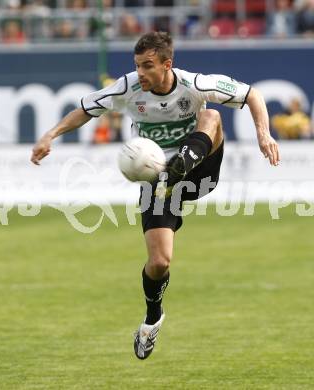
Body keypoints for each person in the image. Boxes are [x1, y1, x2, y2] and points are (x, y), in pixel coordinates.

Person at [31, 31, 280, 360]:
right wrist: (50, 134)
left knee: (212, 116)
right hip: (155, 179)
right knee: (160, 262)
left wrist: (263, 134)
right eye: (137, 66)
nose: (141, 73)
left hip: (199, 172)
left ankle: (181, 164)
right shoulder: (128, 88)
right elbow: (86, 109)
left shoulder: (195, 85)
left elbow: (253, 95)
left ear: (167, 64)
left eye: (148, 66)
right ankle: (152, 319)